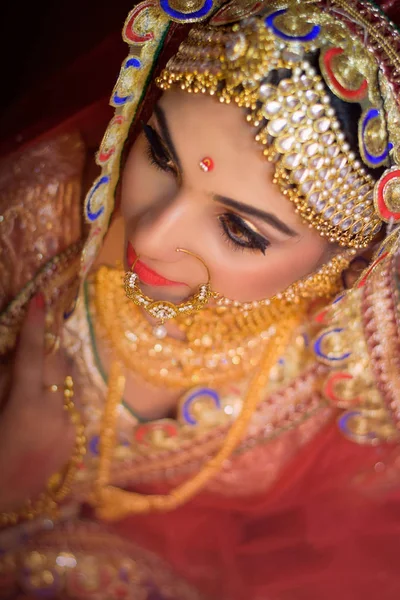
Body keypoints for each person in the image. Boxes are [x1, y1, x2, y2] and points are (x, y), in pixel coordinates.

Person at [1, 0, 400, 598]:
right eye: (160, 154)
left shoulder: (345, 383)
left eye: (240, 230)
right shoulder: (32, 217)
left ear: (352, 259)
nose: (153, 235)